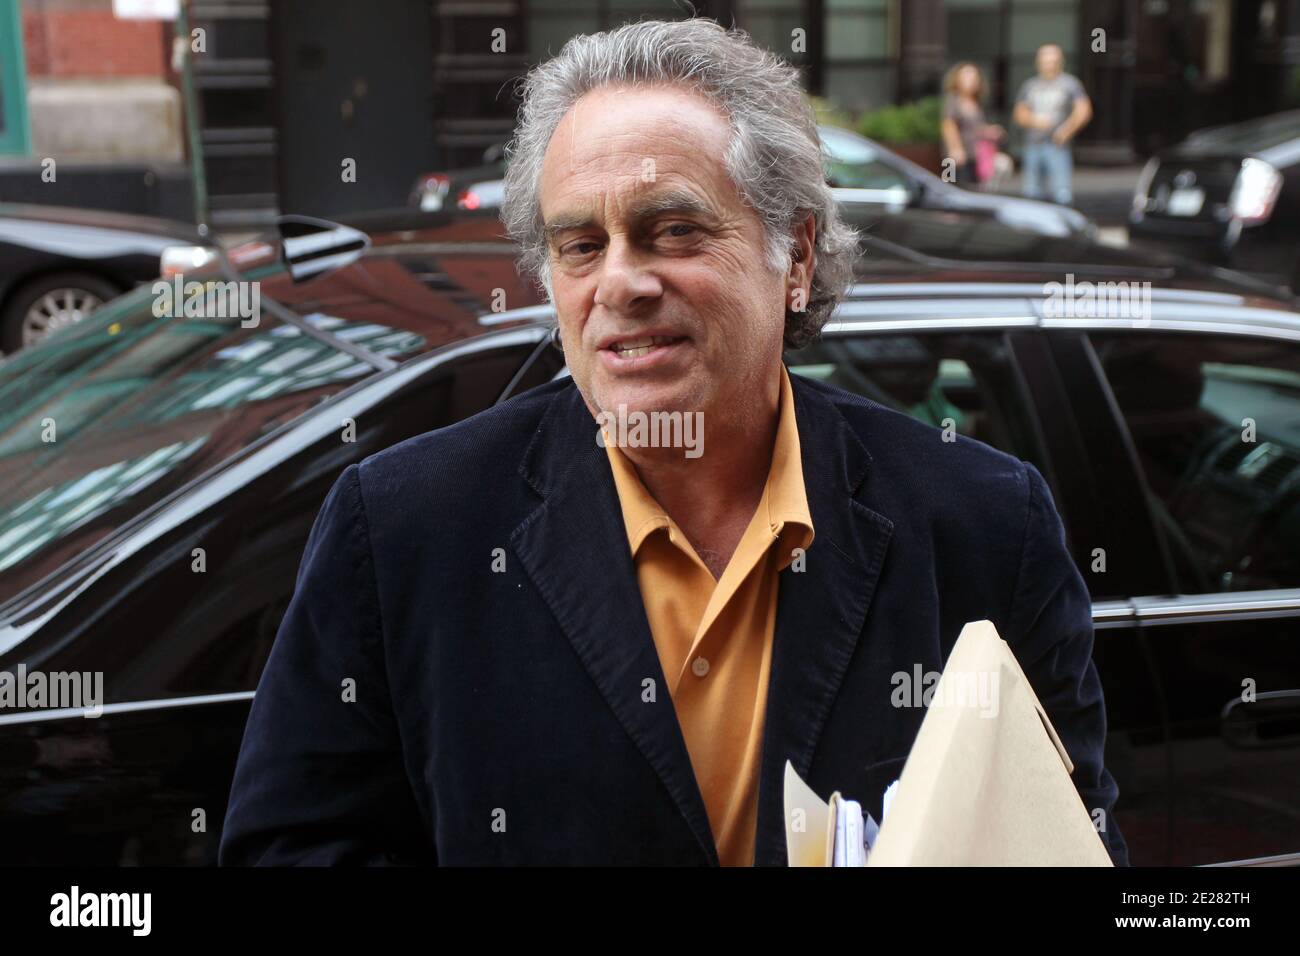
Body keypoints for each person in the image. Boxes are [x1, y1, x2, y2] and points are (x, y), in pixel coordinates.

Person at [219, 18, 1128, 867]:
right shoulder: (403, 528)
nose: (621, 281)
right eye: (580, 244)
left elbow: (1069, 838)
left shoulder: (983, 523)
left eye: (674, 230)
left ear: (798, 258)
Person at [1014, 43, 1092, 204]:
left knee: (1062, 194)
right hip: (1033, 144)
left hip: (1057, 145)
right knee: (1031, 192)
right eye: (1045, 61)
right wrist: (1035, 121)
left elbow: (1084, 110)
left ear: (1060, 62)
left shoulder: (1070, 84)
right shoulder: (1030, 85)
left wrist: (1066, 130)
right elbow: (1019, 114)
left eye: (1052, 61)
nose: (1048, 64)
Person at [940, 62, 1003, 187]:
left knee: (971, 188)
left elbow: (974, 128)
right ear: (957, 79)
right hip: (952, 158)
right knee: (950, 187)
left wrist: (989, 131)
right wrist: (955, 148)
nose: (971, 80)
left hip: (974, 155)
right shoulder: (953, 100)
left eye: (974, 77)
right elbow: (948, 125)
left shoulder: (976, 103)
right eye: (966, 76)